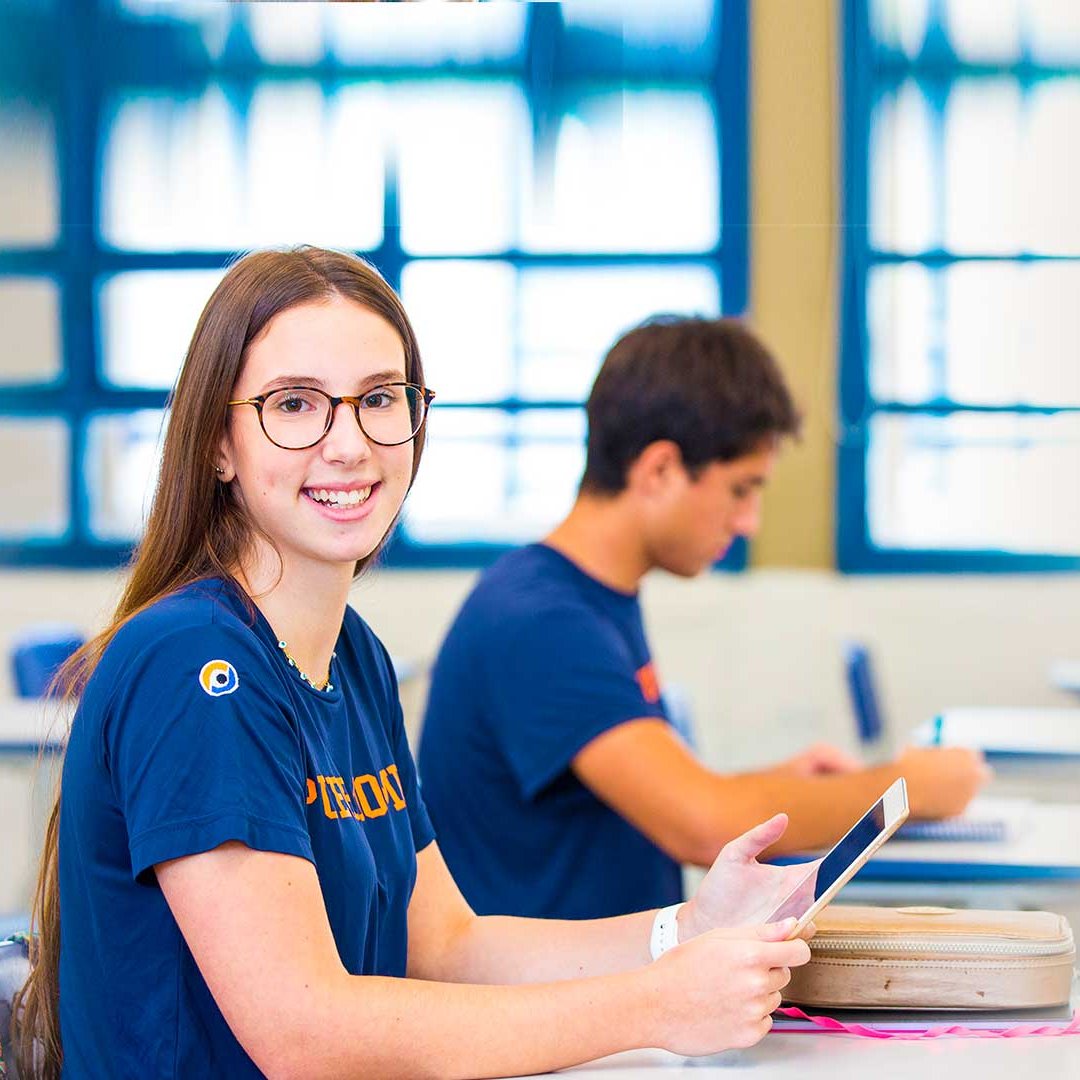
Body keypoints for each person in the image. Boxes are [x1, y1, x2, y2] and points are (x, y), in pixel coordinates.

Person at [13, 249, 816, 1080]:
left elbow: (444, 946)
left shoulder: (352, 654)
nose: (350, 444)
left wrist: (686, 930)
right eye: (295, 405)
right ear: (219, 443)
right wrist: (655, 1004)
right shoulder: (195, 665)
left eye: (380, 400)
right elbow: (305, 1032)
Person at [418, 316, 990, 921]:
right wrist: (909, 789)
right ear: (660, 470)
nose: (749, 523)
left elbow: (651, 801)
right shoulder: (540, 621)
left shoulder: (587, 596)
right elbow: (701, 822)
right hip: (551, 1002)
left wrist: (788, 788)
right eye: (740, 490)